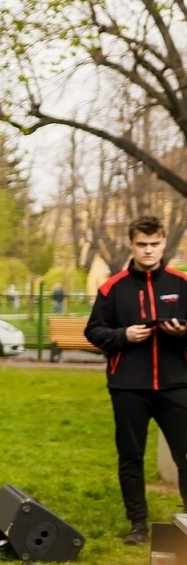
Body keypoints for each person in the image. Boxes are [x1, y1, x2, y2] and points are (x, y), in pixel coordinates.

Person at [84, 214, 187, 546]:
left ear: (163, 243)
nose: (148, 251)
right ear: (131, 244)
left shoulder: (180, 284)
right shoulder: (112, 287)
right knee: (131, 455)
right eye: (142, 245)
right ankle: (138, 524)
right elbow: (94, 331)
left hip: (176, 383)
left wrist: (182, 333)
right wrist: (123, 335)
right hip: (128, 385)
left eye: (154, 244)